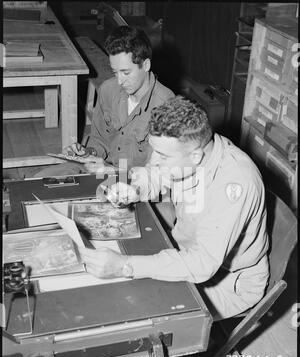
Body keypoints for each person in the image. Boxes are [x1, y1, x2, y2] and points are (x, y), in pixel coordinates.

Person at [79, 96, 270, 320]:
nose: (155, 159)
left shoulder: (234, 183)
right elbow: (156, 172)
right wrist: (136, 188)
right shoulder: (188, 150)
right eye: (155, 151)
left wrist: (125, 266)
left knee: (131, 306)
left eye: (162, 155)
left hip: (228, 282)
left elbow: (202, 263)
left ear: (196, 156)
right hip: (185, 249)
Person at [34, 25, 174, 177]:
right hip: (100, 170)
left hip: (134, 184)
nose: (120, 81)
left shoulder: (166, 106)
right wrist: (88, 152)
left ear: (146, 65)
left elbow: (158, 174)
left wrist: (112, 171)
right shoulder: (108, 89)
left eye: (126, 72)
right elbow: (99, 139)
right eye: (115, 72)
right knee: (35, 181)